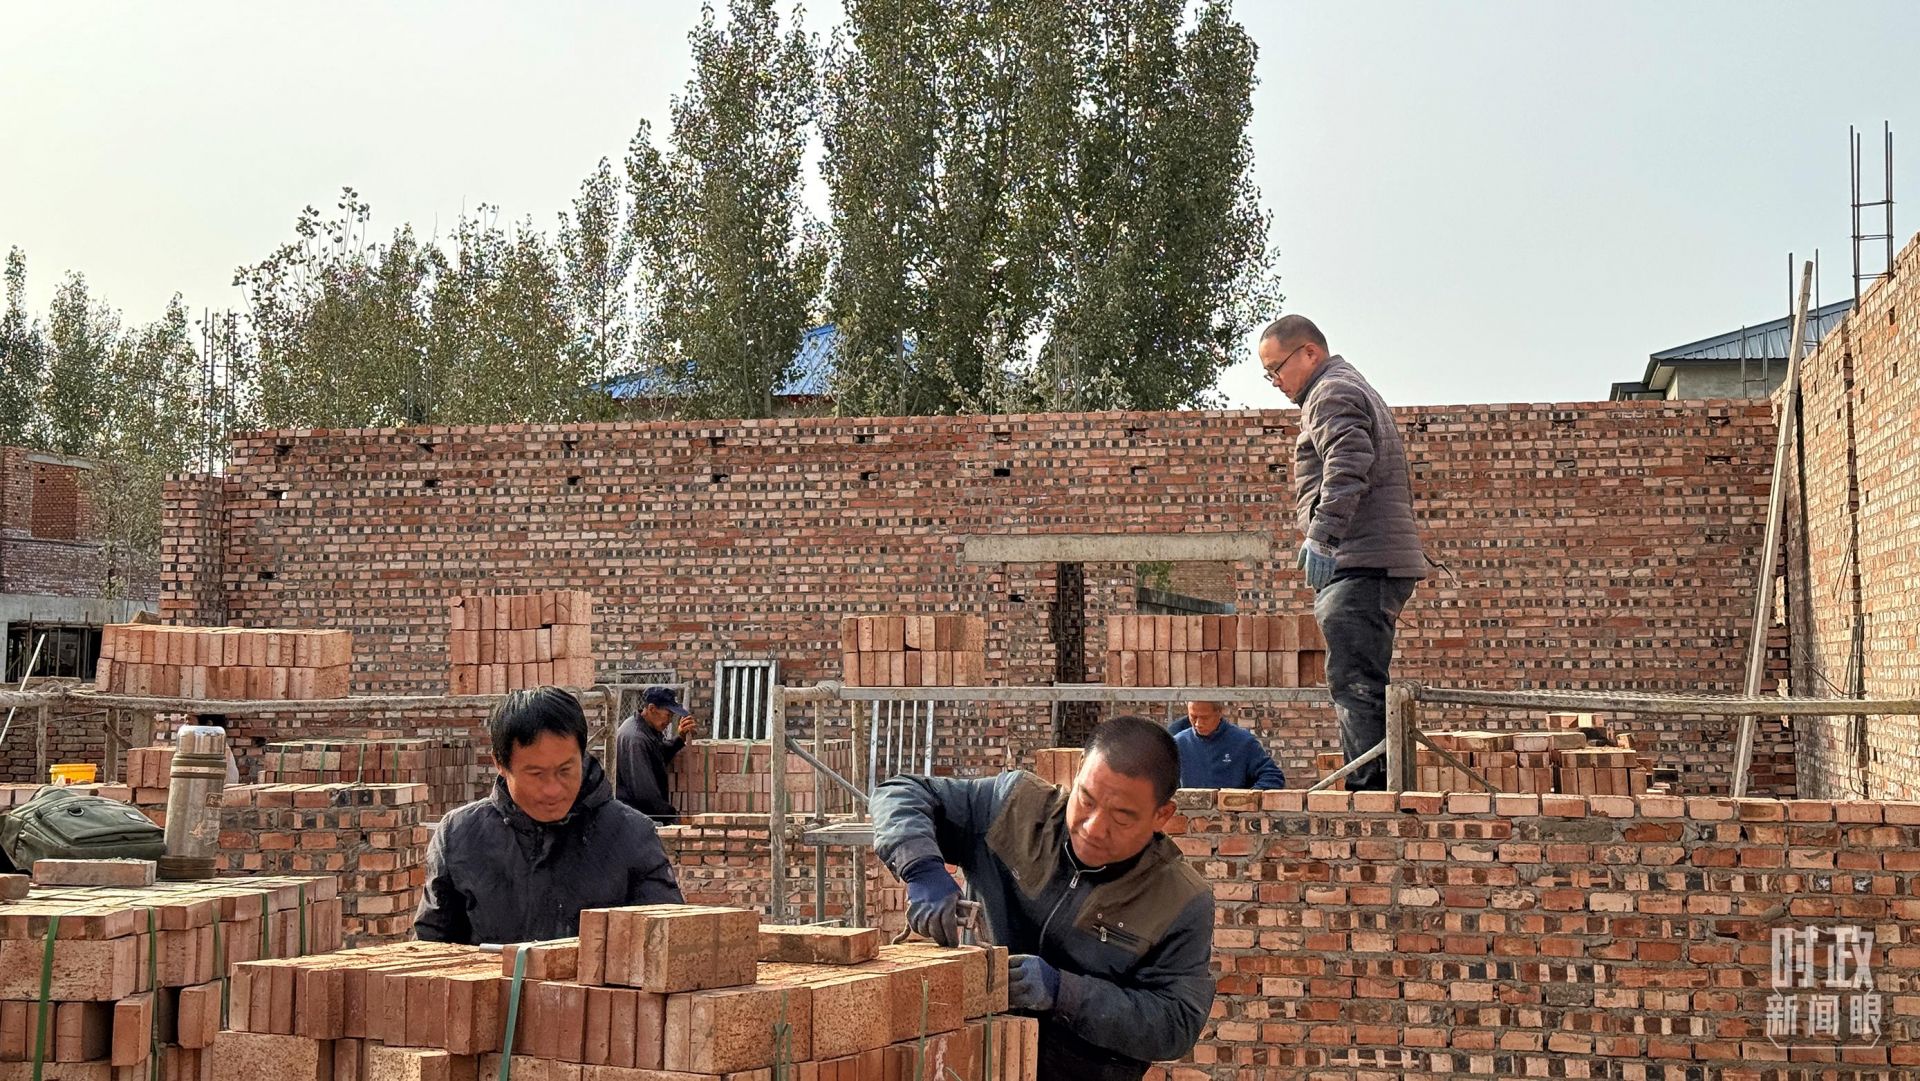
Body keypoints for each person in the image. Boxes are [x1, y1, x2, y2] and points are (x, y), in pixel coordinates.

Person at [873, 716, 1214, 1081]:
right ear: (1079, 771)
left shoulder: (1180, 901)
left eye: (1122, 817)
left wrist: (1063, 992)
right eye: (1086, 800)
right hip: (974, 1063)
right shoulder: (1013, 809)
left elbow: (1175, 1023)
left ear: (1162, 815)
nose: (1094, 827)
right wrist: (922, 870)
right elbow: (900, 792)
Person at [1261, 314, 1426, 791]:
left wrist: (1323, 536)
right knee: (1360, 680)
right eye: (1268, 375)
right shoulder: (1345, 385)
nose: (1275, 382)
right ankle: (1378, 790)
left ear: (1310, 352)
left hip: (1362, 562)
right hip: (1369, 559)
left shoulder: (1330, 392)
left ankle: (1371, 795)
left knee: (1355, 684)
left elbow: (1348, 463)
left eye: (1276, 369)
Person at [415, 686, 682, 945]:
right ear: (500, 763)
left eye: (565, 770)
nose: (553, 790)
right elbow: (430, 953)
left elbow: (666, 943)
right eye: (536, 774)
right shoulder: (460, 837)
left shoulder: (632, 835)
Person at [613, 686, 698, 823]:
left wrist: (680, 739)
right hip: (631, 820)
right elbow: (646, 794)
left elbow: (657, 756)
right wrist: (674, 819)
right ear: (652, 709)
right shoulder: (636, 739)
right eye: (668, 715)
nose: (669, 721)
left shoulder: (645, 728)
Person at [1171, 700, 1285, 790]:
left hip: (1234, 812)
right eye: (1193, 717)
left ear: (1219, 713)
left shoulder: (1243, 742)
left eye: (1205, 718)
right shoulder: (1177, 744)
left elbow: (1273, 776)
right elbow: (1163, 784)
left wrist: (1247, 799)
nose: (1198, 724)